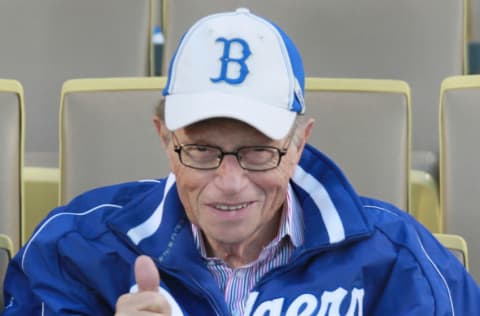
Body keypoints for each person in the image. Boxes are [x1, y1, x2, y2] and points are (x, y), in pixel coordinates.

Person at [2, 8, 480, 316]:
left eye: (258, 152)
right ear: (166, 139)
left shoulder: (398, 256)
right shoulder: (72, 250)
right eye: (203, 151)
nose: (230, 183)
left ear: (298, 144)